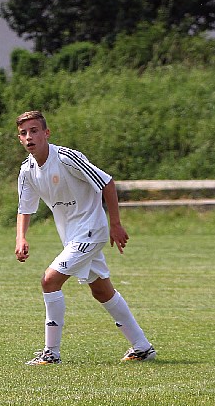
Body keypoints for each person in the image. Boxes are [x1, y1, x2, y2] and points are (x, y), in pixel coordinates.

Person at [15, 110, 156, 365]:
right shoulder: (27, 170)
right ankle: (142, 347)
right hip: (71, 236)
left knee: (49, 280)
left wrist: (115, 224)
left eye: (34, 131)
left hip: (91, 229)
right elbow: (25, 207)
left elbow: (107, 183)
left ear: (46, 133)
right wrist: (20, 238)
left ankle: (51, 353)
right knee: (102, 290)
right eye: (23, 133)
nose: (29, 137)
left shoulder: (67, 158)